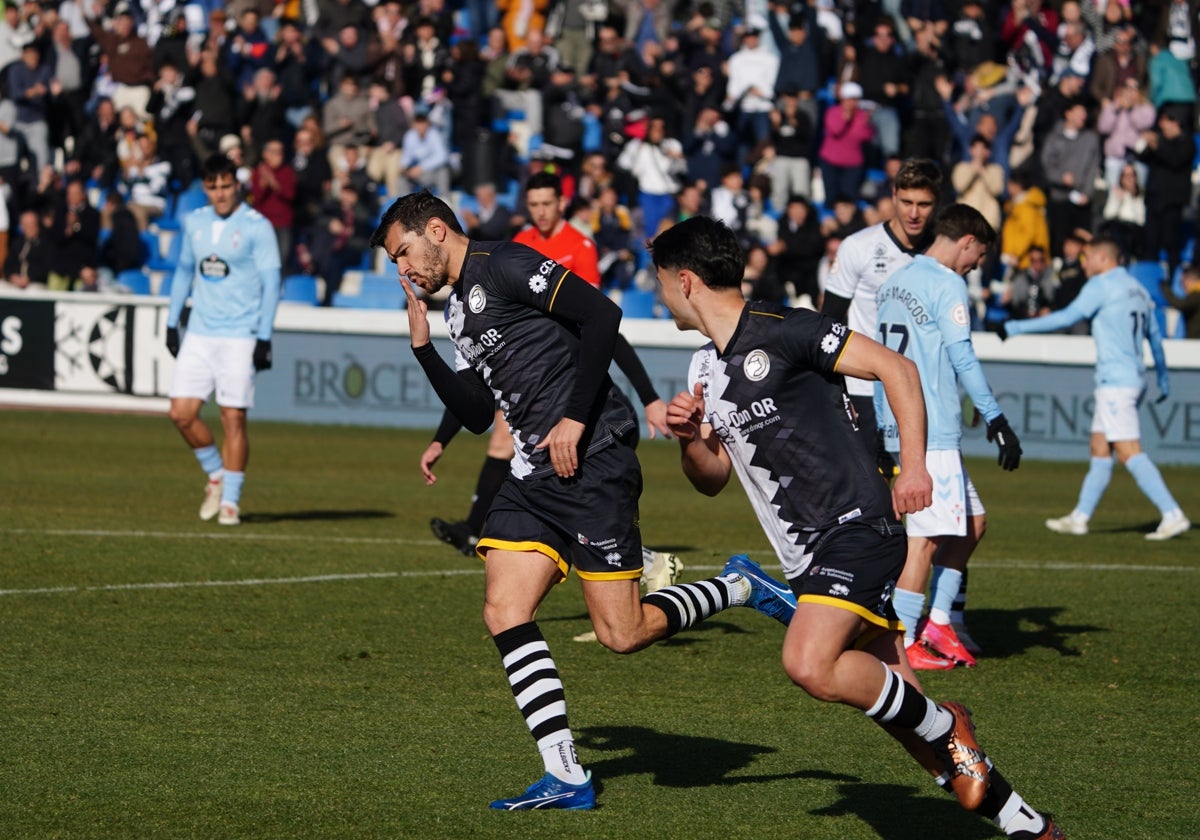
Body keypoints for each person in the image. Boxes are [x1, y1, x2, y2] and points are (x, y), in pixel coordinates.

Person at [371, 190, 797, 810]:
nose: (402, 268)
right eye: (392, 260)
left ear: (435, 231)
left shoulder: (508, 263)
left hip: (592, 455)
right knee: (503, 609)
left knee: (621, 634)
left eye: (402, 251)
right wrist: (421, 347)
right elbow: (473, 412)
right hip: (533, 474)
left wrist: (573, 418)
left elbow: (604, 314)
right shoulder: (457, 309)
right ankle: (566, 774)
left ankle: (739, 585)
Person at [652, 215, 1063, 840]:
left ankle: (952, 726)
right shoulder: (704, 370)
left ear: (685, 281)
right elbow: (711, 478)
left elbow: (897, 369)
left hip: (857, 528)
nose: (658, 293)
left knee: (810, 663)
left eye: (660, 281)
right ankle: (1026, 823)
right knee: (903, 715)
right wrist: (689, 440)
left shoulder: (788, 329)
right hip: (807, 555)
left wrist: (914, 467)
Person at [876, 204, 1024, 670]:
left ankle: (938, 623)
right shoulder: (947, 283)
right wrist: (996, 418)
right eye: (979, 253)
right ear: (966, 241)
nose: (978, 263)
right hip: (930, 430)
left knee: (972, 523)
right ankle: (901, 644)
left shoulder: (894, 282)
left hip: (897, 421)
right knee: (924, 541)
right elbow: (963, 357)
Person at [1001, 235, 1189, 541]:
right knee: (1100, 450)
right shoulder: (1139, 289)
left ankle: (1172, 513)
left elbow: (1066, 317)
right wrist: (1164, 377)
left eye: (1088, 258)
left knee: (1129, 452)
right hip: (1132, 378)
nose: (1085, 263)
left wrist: (1015, 327)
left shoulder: (1102, 285)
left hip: (1116, 382)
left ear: (1103, 258)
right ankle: (1080, 517)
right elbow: (1155, 337)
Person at [165, 154, 282, 527]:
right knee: (181, 414)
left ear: (237, 185)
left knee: (233, 418)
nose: (220, 193)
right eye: (213, 187)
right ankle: (216, 474)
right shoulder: (194, 222)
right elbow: (184, 271)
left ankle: (230, 502)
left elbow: (271, 282)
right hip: (199, 332)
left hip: (240, 336)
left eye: (226, 186)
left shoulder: (256, 226)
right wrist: (171, 322)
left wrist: (264, 336)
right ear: (205, 188)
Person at [821, 158, 941, 466]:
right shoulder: (858, 247)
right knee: (871, 488)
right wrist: (833, 391)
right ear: (893, 195)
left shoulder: (943, 252)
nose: (914, 213)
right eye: (907, 202)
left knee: (922, 492)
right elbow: (829, 323)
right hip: (865, 387)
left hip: (922, 388)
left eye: (924, 204)